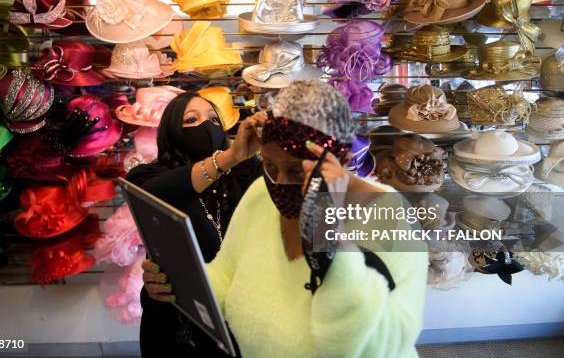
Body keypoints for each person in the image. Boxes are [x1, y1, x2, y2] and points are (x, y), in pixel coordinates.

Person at [142, 80, 429, 357]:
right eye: (269, 165)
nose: (279, 182)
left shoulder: (389, 215)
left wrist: (334, 251)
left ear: (338, 161)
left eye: (295, 171)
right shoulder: (260, 192)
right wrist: (177, 282)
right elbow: (226, 274)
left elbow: (385, 346)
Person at [126, 91, 262, 356]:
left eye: (213, 118)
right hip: (179, 324)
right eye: (192, 119)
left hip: (241, 320)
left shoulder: (248, 174)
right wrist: (230, 156)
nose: (206, 125)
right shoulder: (147, 177)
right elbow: (153, 195)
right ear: (173, 132)